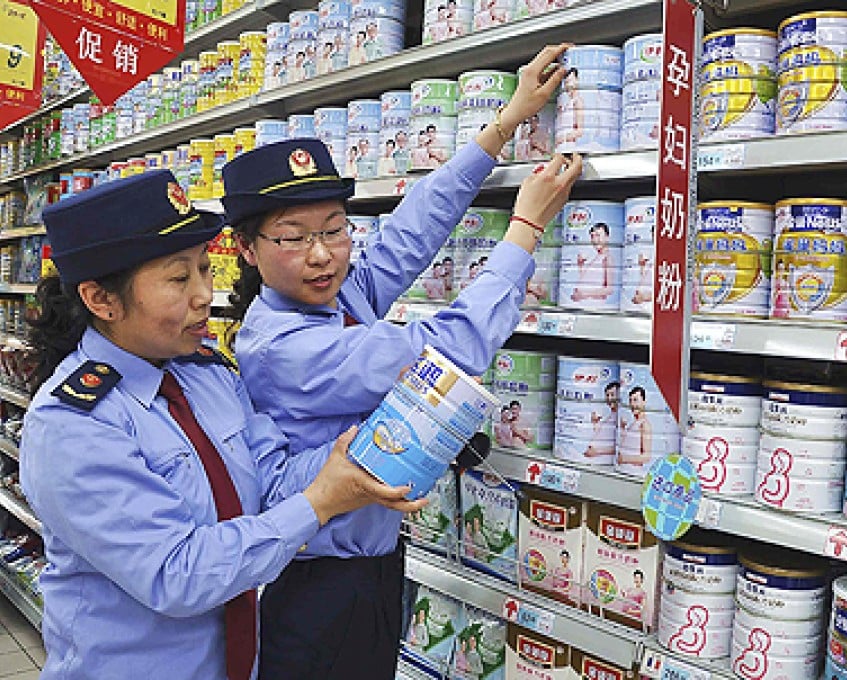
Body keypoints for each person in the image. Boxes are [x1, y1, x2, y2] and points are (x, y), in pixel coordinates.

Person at [222, 44, 581, 680]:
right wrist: (525, 228)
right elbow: (437, 354)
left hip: (371, 568)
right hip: (320, 588)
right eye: (293, 237)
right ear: (247, 250)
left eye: (333, 229)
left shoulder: (334, 294)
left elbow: (408, 233)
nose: (321, 255)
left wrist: (502, 126)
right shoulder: (282, 348)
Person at [19, 171, 424, 679]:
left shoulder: (207, 376)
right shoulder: (74, 425)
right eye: (177, 278)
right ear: (102, 300)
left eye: (206, 270)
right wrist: (321, 501)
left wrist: (352, 460)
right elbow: (177, 575)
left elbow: (269, 484)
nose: (204, 296)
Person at [571, 222, 614, 303]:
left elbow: (609, 289)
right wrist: (580, 265)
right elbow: (587, 281)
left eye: (598, 235)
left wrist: (584, 294)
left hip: (593, 306)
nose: (594, 240)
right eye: (592, 236)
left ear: (607, 237)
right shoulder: (596, 257)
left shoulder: (607, 258)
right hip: (584, 305)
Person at [617, 386, 652, 474]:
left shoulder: (644, 425)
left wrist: (624, 458)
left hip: (634, 471)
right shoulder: (634, 423)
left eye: (635, 400)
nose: (632, 404)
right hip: (624, 470)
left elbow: (646, 457)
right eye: (630, 400)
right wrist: (622, 428)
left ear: (644, 402)